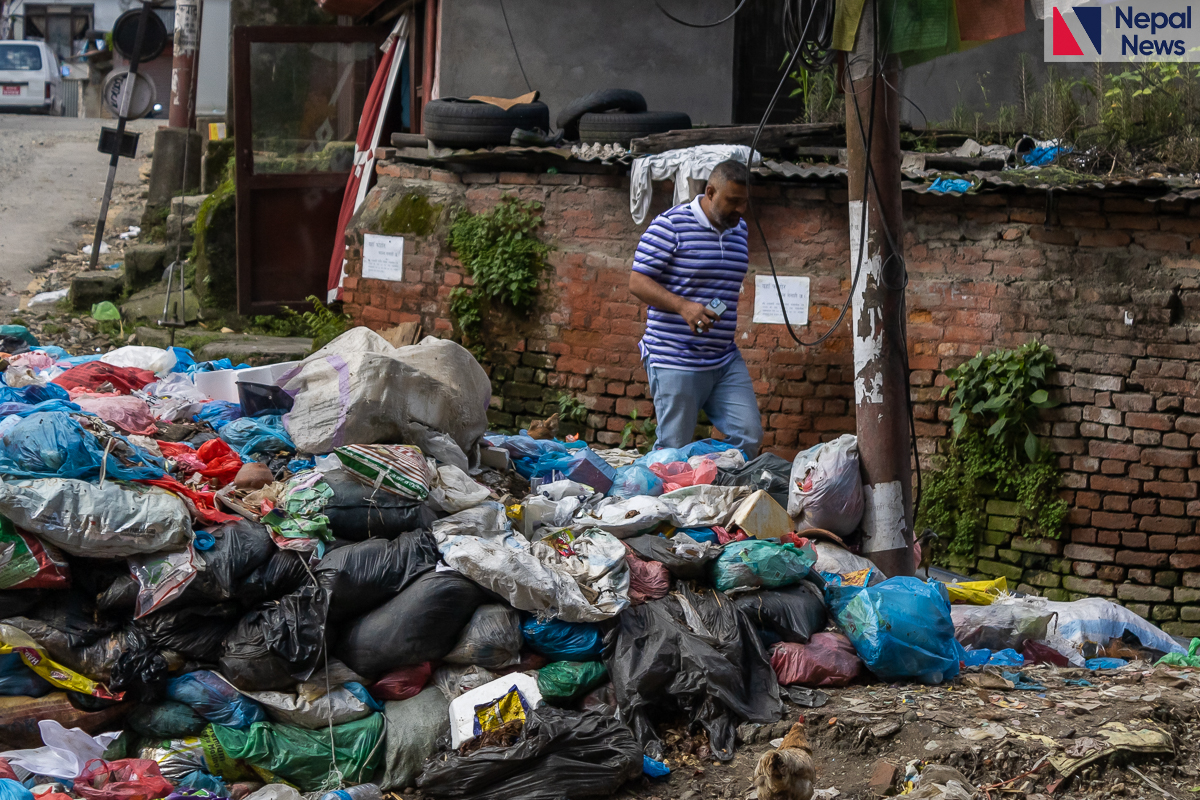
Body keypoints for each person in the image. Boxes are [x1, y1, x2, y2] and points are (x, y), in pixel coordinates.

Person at [628, 159, 763, 458]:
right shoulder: (670, 225)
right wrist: (683, 306)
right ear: (710, 191)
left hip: (723, 358)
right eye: (733, 201)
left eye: (744, 202)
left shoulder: (739, 230)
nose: (741, 210)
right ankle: (660, 499)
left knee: (748, 437)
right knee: (672, 450)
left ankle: (699, 480)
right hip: (676, 357)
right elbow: (637, 281)